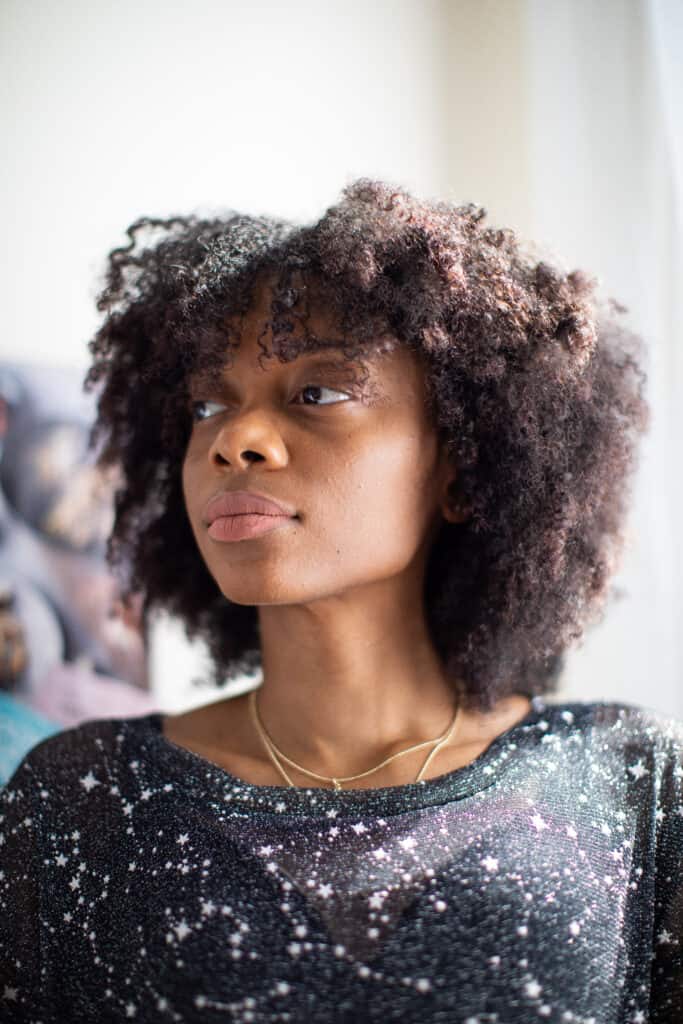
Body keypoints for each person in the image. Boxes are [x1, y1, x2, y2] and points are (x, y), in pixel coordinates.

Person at [0, 178, 679, 1022]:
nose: (232, 439)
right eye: (207, 405)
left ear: (461, 470)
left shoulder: (626, 780)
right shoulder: (82, 800)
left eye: (317, 393)